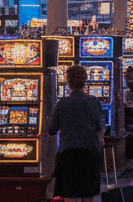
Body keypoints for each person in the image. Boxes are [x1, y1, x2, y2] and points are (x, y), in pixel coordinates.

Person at [48, 65, 105, 202]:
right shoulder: (93, 101)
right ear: (85, 80)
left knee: (69, 195)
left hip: (68, 153)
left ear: (67, 81)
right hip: (89, 152)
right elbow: (99, 126)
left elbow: (51, 129)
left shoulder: (62, 103)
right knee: (87, 194)